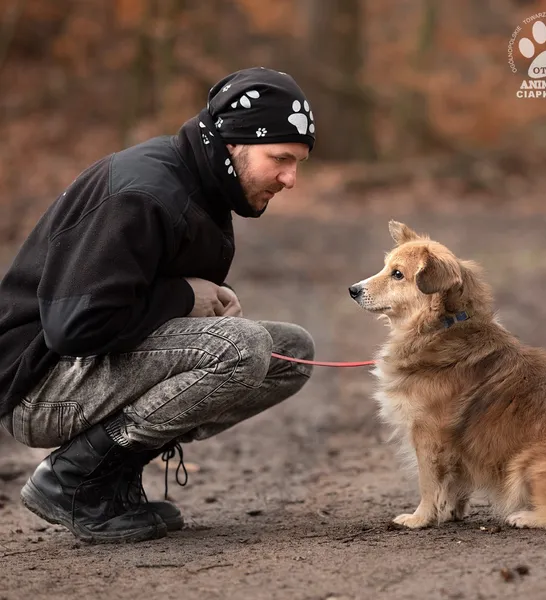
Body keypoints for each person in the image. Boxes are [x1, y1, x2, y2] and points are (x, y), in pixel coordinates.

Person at [0, 67, 316, 544]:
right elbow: (74, 327)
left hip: (80, 366)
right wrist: (188, 298)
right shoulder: (144, 192)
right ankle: (73, 479)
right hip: (37, 386)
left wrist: (198, 307)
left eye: (298, 163)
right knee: (241, 348)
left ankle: (111, 475)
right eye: (281, 158)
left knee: (290, 352)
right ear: (233, 144)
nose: (290, 179)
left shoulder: (201, 186)